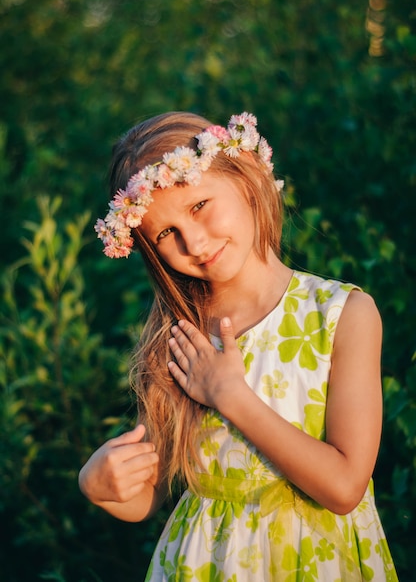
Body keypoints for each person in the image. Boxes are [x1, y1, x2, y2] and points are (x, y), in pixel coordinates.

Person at [79, 111, 398, 581]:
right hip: (205, 564)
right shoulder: (181, 336)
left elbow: (345, 487)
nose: (195, 241)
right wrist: (101, 486)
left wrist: (230, 395)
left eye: (199, 206)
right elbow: (152, 495)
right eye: (166, 234)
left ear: (245, 177)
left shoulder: (342, 314)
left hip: (318, 562)